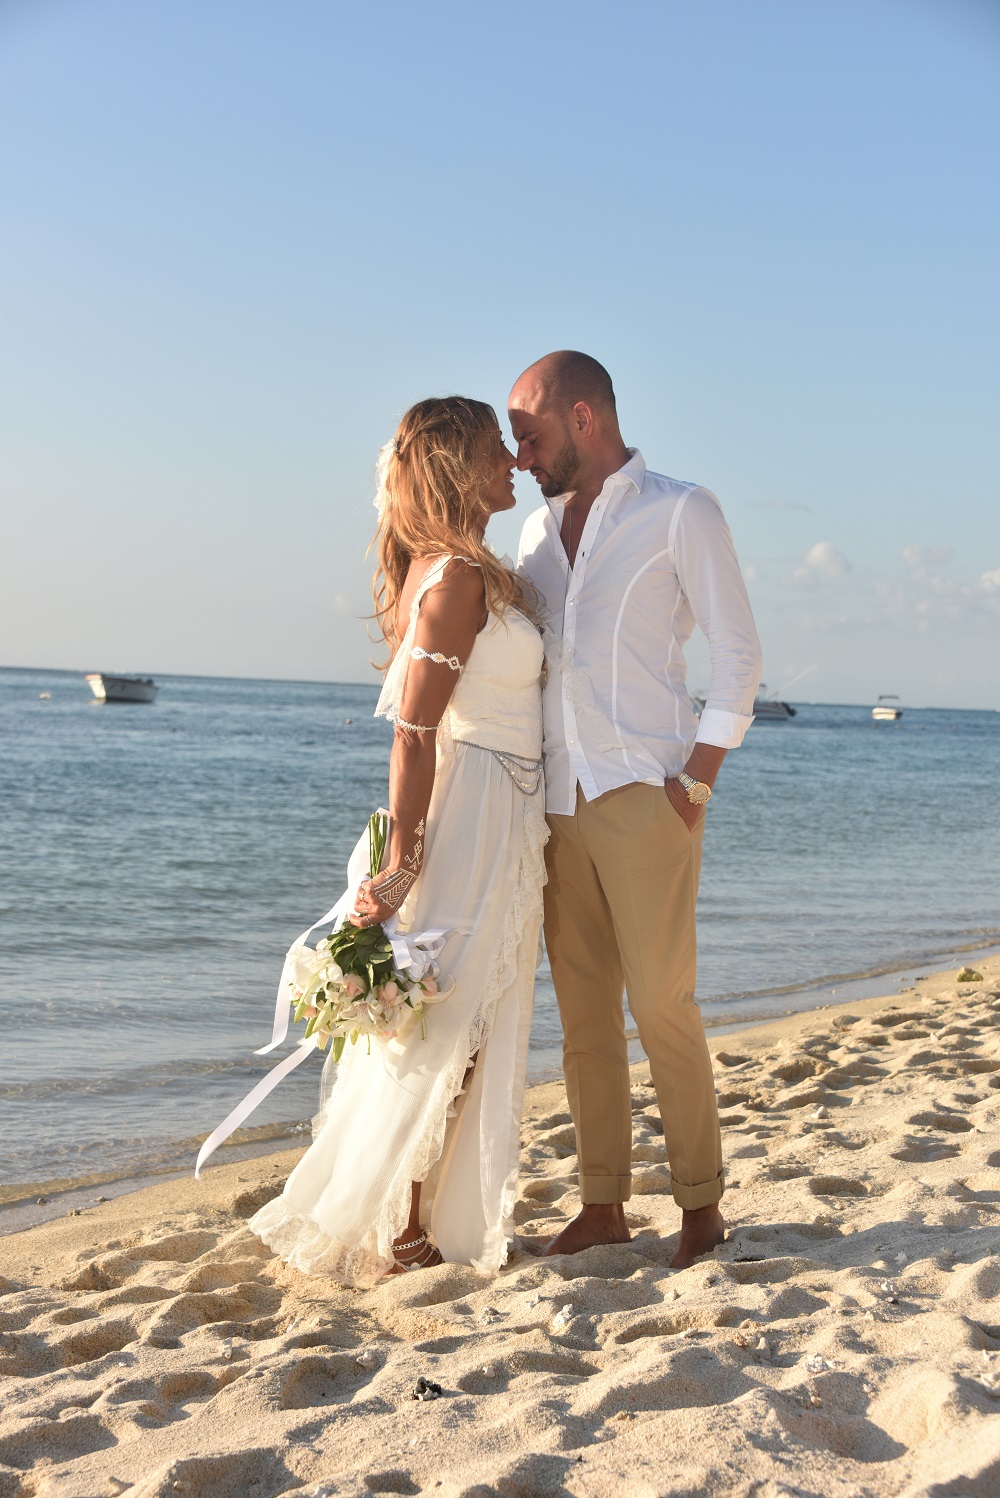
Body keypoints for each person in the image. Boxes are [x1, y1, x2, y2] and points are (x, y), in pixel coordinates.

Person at [250, 396, 546, 1282]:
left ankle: (416, 1216)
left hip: (502, 803)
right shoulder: (454, 579)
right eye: (496, 448)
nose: (513, 462)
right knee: (451, 1019)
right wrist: (405, 859)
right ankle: (403, 1225)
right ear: (458, 465)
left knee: (465, 1016)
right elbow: (413, 732)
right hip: (474, 810)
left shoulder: (455, 568)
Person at [512, 352, 762, 1270]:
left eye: (529, 434)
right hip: (557, 803)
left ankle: (701, 1207)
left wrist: (696, 782)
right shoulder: (534, 536)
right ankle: (602, 1206)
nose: (520, 456)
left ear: (583, 417)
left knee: (663, 1006)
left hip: (646, 795)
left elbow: (740, 654)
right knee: (584, 1019)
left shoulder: (681, 510)